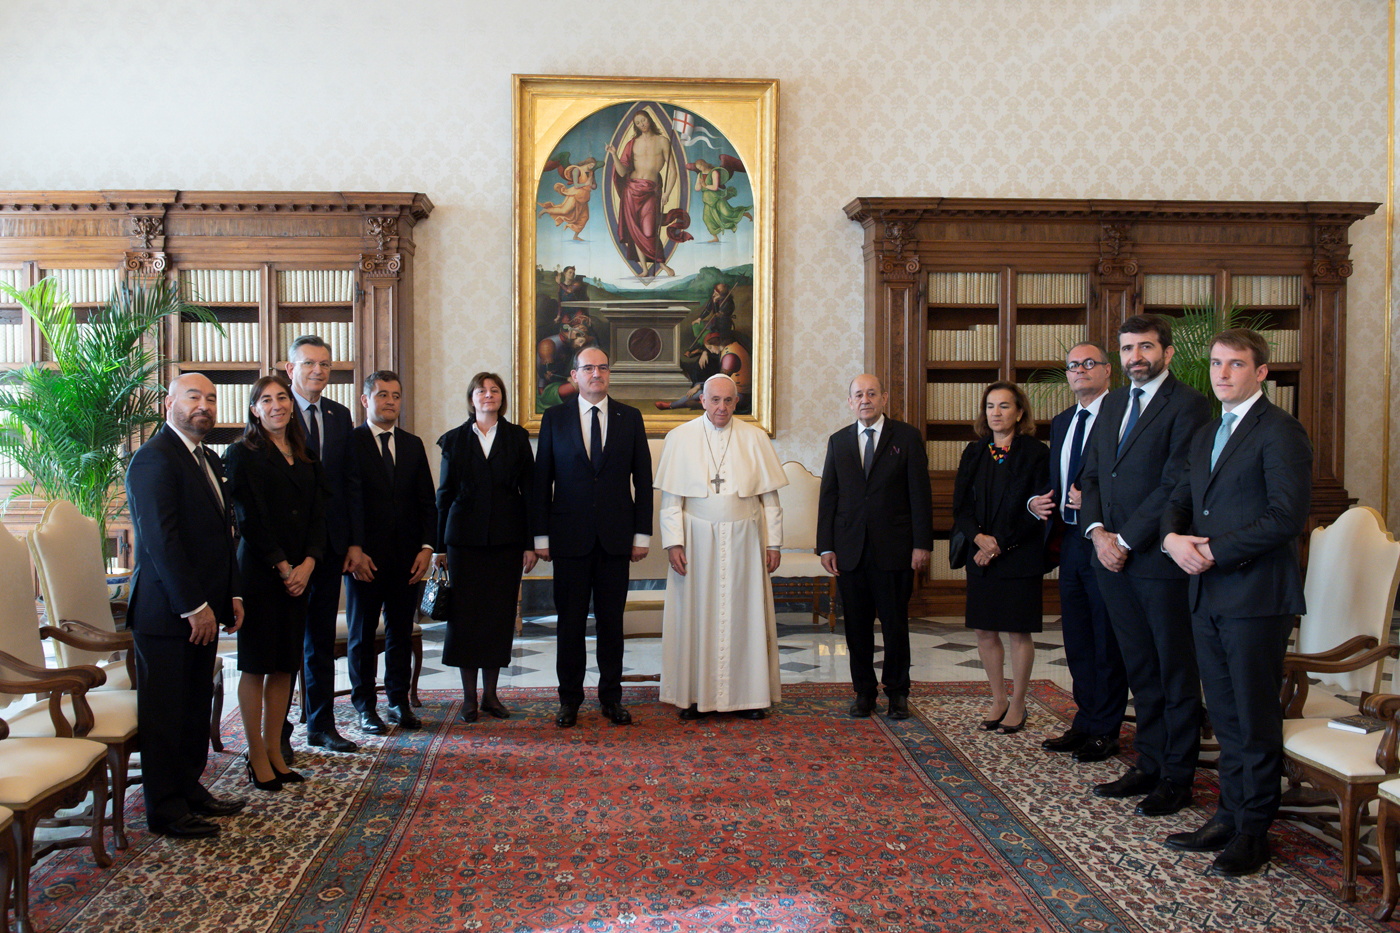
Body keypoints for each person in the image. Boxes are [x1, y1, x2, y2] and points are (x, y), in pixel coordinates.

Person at [1161, 329, 1312, 877]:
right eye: (1217, 364)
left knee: (1253, 716)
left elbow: (1285, 518)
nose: (1222, 374)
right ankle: (1228, 813)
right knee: (1223, 715)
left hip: (1254, 596)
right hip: (1205, 593)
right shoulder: (1206, 433)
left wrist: (1213, 552)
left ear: (1261, 373)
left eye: (1236, 365)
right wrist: (1172, 539)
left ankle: (1254, 832)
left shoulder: (1281, 432)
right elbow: (1178, 500)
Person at [1078, 314, 1210, 816]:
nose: (1136, 357)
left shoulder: (1191, 407)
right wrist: (1096, 535)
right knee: (1140, 670)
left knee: (1174, 672)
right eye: (1128, 348)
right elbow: (1091, 475)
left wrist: (1126, 539)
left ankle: (1177, 777)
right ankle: (1149, 763)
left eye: (1146, 348)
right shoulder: (1111, 402)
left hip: (1157, 561)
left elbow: (1177, 485)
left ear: (1167, 353)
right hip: (1110, 562)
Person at [125, 373, 246, 837]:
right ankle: (166, 809)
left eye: (211, 398)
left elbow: (226, 535)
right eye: (194, 396)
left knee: (194, 705)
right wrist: (194, 605)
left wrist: (231, 595)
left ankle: (191, 789)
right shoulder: (154, 459)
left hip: (207, 610)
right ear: (169, 403)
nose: (204, 405)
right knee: (165, 713)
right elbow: (162, 542)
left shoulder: (208, 460)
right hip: (168, 614)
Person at [655, 374, 788, 720]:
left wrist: (773, 543)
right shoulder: (680, 438)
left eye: (728, 401)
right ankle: (695, 696)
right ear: (702, 400)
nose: (722, 407)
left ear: (736, 402)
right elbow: (671, 500)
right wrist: (673, 543)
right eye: (715, 400)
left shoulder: (754, 437)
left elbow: (769, 499)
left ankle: (749, 696)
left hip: (745, 541)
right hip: (696, 541)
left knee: (746, 617)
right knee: (696, 615)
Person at [533, 347, 653, 728]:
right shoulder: (554, 419)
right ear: (574, 376)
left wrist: (642, 534)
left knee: (610, 624)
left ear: (609, 374)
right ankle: (569, 700)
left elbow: (644, 482)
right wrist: (540, 537)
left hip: (617, 539)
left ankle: (611, 697)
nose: (596, 373)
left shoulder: (630, 418)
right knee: (568, 623)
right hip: (568, 538)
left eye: (603, 367)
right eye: (588, 368)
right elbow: (541, 483)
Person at [224, 374, 325, 792]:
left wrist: (308, 564)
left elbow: (321, 514)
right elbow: (249, 518)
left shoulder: (306, 455)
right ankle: (256, 754)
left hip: (301, 574)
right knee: (256, 663)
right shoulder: (241, 453)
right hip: (262, 575)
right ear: (254, 409)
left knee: (285, 662)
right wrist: (284, 567)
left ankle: (275, 750)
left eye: (282, 397)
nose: (276, 405)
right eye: (266, 400)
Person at [1028, 343, 1127, 762]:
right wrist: (1037, 503)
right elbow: (1059, 478)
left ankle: (1106, 730)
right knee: (1078, 639)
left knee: (1107, 640)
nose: (1080, 370)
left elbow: (1130, 477)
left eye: (1090, 364)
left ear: (1107, 371)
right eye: (1073, 365)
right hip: (1069, 540)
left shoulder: (1123, 415)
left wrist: (1093, 500)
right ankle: (1084, 722)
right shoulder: (1064, 420)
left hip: (1105, 540)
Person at [817, 374, 932, 720]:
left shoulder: (907, 438)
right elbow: (829, 497)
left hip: (895, 549)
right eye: (858, 395)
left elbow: (919, 495)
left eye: (871, 393)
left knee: (896, 624)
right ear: (850, 402)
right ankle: (864, 692)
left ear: (884, 398)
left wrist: (921, 544)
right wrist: (826, 546)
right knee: (856, 626)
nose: (864, 400)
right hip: (851, 550)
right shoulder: (839, 441)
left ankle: (898, 692)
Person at [436, 372, 537, 722]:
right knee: (465, 619)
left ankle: (492, 696)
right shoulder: (452, 440)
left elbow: (531, 494)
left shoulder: (517, 437)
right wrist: (438, 548)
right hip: (462, 542)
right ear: (471, 398)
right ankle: (468, 698)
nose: (488, 395)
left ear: (501, 398)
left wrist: (530, 544)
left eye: (494, 390)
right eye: (481, 390)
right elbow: (444, 495)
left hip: (507, 542)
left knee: (497, 617)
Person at [952, 381, 1049, 735]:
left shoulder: (1036, 453)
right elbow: (960, 507)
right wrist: (979, 540)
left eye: (1004, 406)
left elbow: (1039, 509)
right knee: (984, 630)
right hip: (979, 555)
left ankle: (1019, 702)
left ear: (1019, 412)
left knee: (1018, 631)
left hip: (1019, 555)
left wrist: (998, 546)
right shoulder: (974, 452)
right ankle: (997, 698)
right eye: (990, 406)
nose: (996, 412)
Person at [344, 371, 436, 734]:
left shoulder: (413, 444)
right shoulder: (350, 443)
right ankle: (365, 705)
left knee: (400, 631)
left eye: (396, 396)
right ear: (366, 400)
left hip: (407, 559)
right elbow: (345, 500)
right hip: (364, 559)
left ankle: (398, 700)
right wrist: (354, 550)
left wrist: (428, 548)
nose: (390, 402)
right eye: (382, 395)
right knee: (363, 635)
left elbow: (427, 502)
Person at [284, 335, 360, 754]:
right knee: (284, 641)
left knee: (319, 639)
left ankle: (321, 724)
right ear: (291, 368)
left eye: (326, 364)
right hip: (288, 550)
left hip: (330, 546)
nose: (318, 371)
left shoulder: (338, 414)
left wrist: (351, 542)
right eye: (310, 363)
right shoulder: (274, 408)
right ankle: (277, 732)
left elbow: (347, 485)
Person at [607, 110, 678, 277]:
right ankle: (645, 269)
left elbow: (673, 171)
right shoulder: (632, 143)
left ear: (650, 120)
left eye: (643, 121)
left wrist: (667, 192)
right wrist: (614, 155)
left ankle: (662, 265)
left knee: (649, 230)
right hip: (631, 190)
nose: (641, 125)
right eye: (638, 123)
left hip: (651, 191)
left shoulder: (663, 141)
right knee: (635, 231)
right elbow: (622, 172)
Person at [691, 158, 752, 242]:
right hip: (707, 200)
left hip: (717, 198)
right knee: (706, 218)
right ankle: (715, 238)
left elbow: (715, 187)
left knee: (727, 213)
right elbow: (697, 188)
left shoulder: (714, 172)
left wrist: (704, 185)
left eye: (700, 167)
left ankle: (744, 213)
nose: (700, 169)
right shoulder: (700, 175)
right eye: (698, 169)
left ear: (704, 164)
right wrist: (700, 184)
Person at [538, 160, 598, 240]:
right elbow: (576, 185)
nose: (591, 167)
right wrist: (586, 184)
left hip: (584, 197)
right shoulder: (577, 170)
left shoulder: (591, 173)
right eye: (590, 164)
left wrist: (592, 184)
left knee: (584, 217)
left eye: (593, 165)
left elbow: (594, 186)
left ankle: (575, 236)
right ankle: (546, 210)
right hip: (575, 194)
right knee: (564, 211)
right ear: (586, 163)